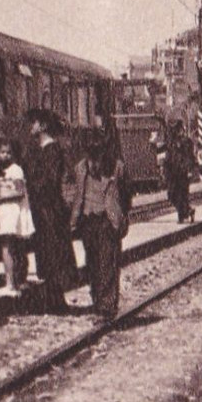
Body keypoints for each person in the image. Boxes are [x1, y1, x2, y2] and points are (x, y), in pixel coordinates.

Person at [70, 126, 130, 319]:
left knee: (108, 263)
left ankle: (107, 306)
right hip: (88, 222)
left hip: (107, 221)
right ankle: (97, 300)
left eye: (98, 154)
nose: (94, 160)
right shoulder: (80, 169)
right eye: (91, 154)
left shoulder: (117, 167)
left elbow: (127, 194)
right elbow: (75, 193)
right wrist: (74, 218)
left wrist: (120, 215)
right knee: (92, 264)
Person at [25, 107, 76, 313]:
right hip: (45, 210)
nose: (31, 126)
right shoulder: (44, 150)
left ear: (43, 126)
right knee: (48, 253)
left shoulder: (52, 150)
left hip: (50, 211)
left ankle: (55, 301)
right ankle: (53, 299)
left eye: (34, 122)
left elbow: (49, 181)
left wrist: (31, 186)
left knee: (52, 253)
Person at [0, 138, 34, 295]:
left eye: (8, 152)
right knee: (10, 246)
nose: (5, 155)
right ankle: (15, 281)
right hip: (5, 210)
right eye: (2, 152)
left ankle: (10, 283)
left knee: (7, 246)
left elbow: (19, 191)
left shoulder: (16, 170)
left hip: (11, 210)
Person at [164, 119, 196, 223]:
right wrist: (165, 171)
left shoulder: (186, 142)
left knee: (182, 194)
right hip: (173, 173)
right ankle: (188, 211)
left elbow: (190, 158)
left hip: (182, 172)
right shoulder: (171, 143)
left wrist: (189, 170)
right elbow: (168, 158)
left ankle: (182, 216)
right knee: (172, 195)